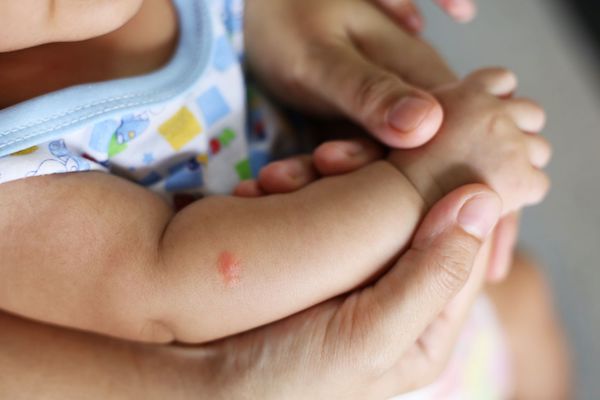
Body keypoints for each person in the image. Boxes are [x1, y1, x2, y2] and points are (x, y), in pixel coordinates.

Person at [0, 0, 570, 397]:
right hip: (332, 367)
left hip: (409, 270)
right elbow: (174, 279)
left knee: (522, 294)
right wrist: (430, 179)